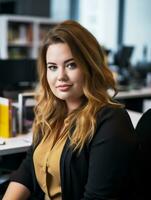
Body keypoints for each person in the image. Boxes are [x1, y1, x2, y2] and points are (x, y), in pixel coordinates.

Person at [3, 20, 137, 200]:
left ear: (90, 66)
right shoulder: (50, 113)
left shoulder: (111, 121)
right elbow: (28, 170)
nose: (61, 76)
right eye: (52, 67)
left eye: (71, 65)